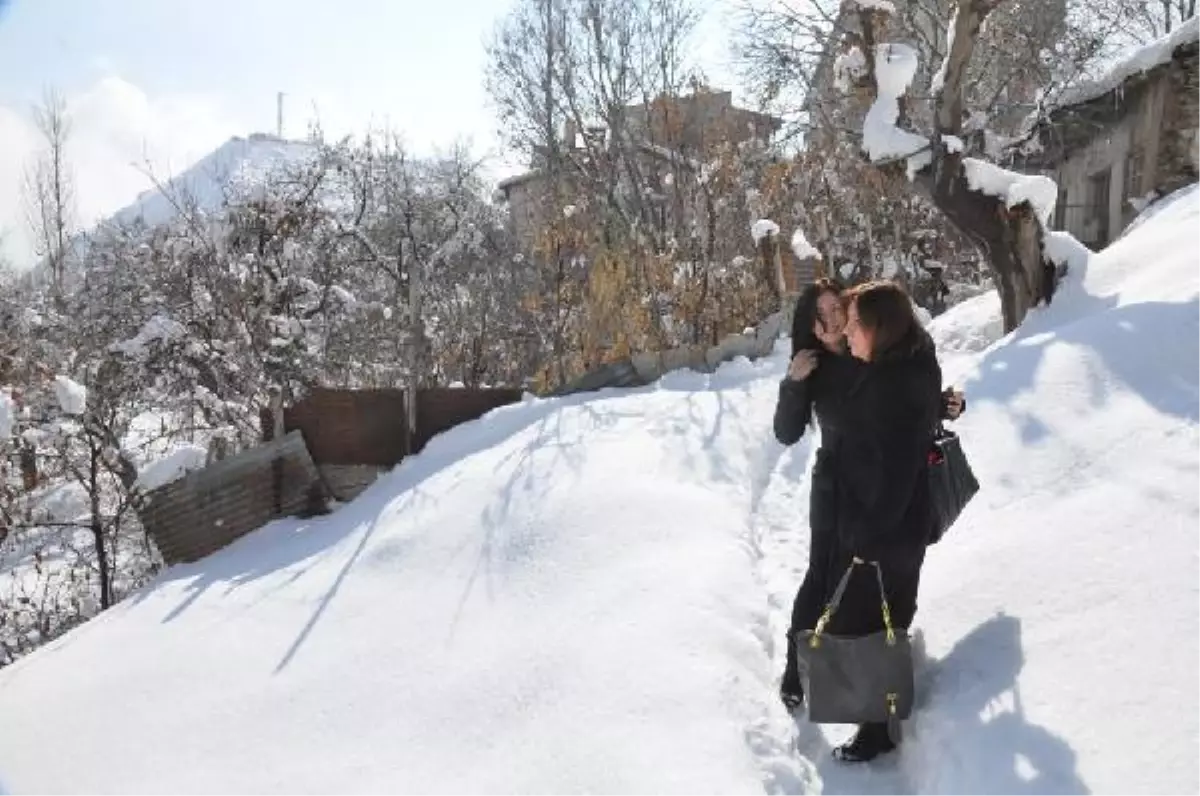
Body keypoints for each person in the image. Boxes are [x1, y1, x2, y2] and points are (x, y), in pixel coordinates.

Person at [773, 279, 964, 761]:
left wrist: (943, 405)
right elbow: (786, 431)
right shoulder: (824, 364)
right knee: (820, 584)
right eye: (823, 316)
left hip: (877, 509)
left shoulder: (881, 357)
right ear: (811, 327)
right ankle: (799, 671)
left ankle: (871, 709)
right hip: (838, 497)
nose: (835, 321)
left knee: (872, 608)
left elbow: (901, 423)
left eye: (840, 309)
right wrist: (794, 385)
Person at [820, 279, 946, 763]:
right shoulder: (909, 362)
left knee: (872, 626)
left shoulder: (893, 384)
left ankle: (876, 733)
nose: (847, 333)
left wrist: (866, 538)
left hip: (888, 527)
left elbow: (893, 471)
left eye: (853, 325)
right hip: (901, 524)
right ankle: (879, 722)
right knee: (886, 618)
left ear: (880, 327)